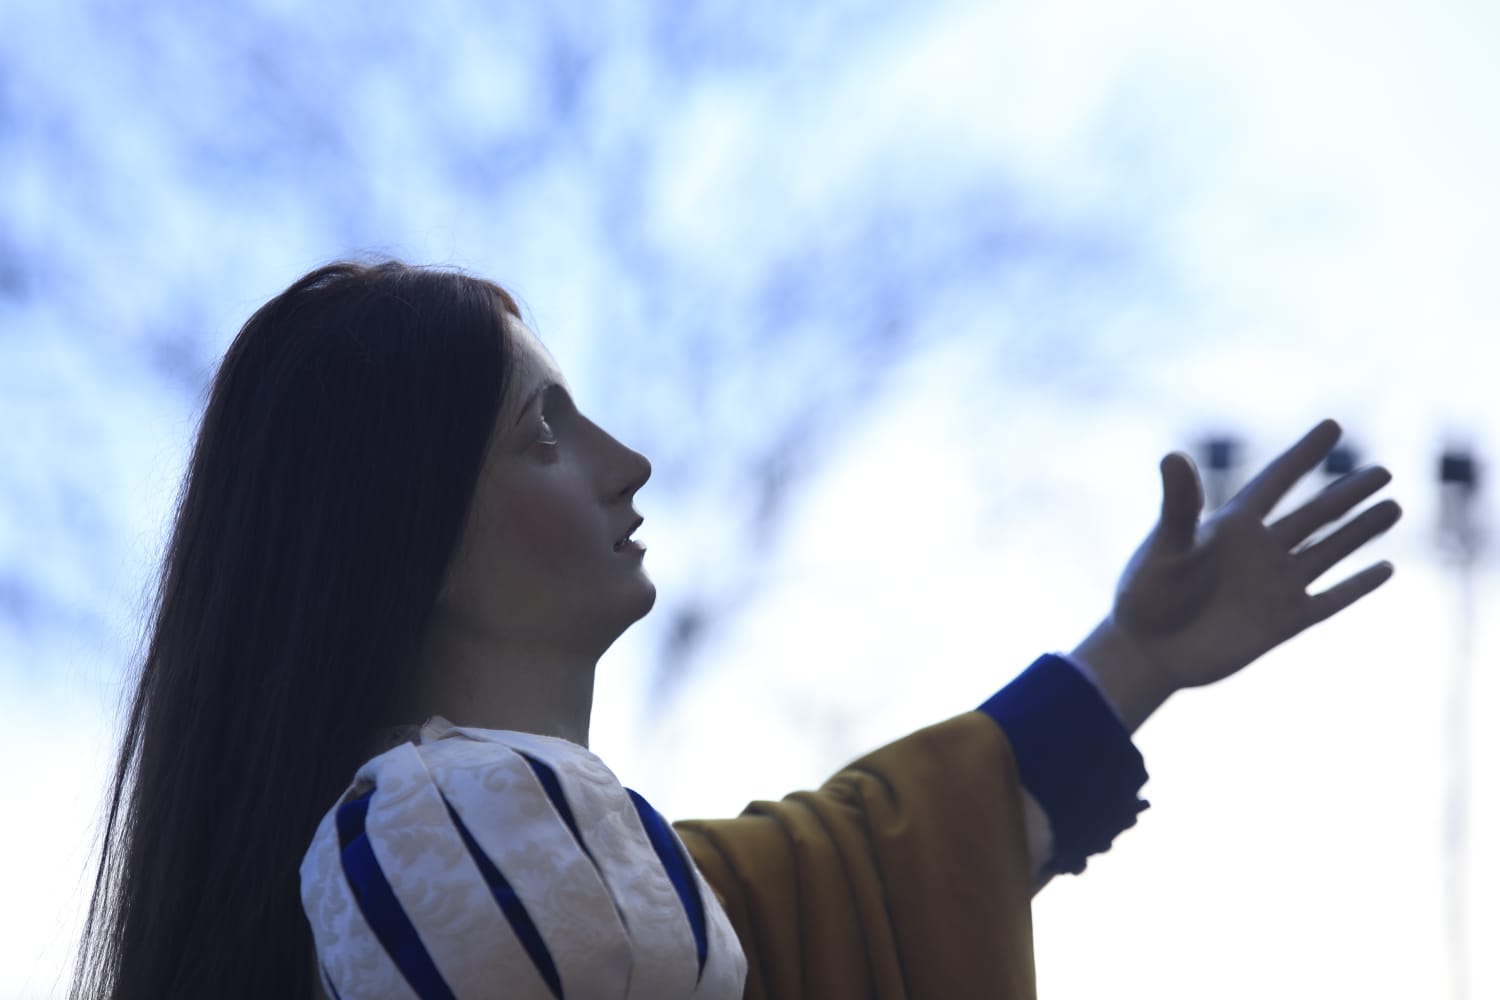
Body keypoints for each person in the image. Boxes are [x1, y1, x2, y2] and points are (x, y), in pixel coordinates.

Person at [73, 261, 1402, 1000]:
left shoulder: (580, 869)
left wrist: (1140, 657)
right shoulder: (448, 828)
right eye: (544, 431)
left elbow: (883, 858)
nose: (624, 463)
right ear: (395, 533)